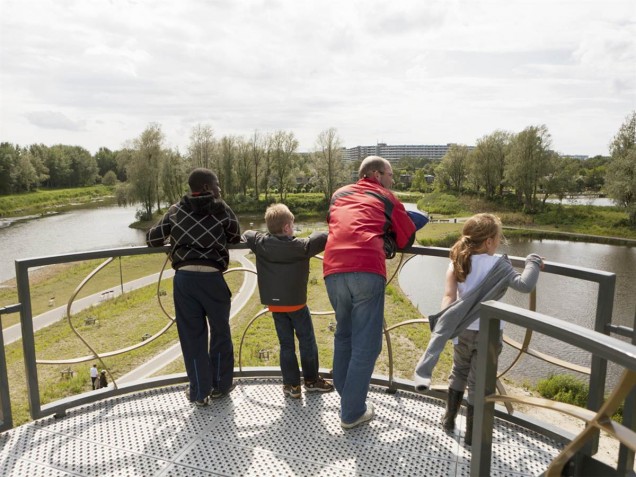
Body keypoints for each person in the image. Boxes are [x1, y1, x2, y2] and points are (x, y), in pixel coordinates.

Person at [413, 213, 544, 445]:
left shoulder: (458, 260)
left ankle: (449, 420)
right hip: (488, 334)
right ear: (489, 242)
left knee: (459, 372)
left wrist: (448, 324)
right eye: (498, 238)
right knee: (478, 381)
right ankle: (472, 436)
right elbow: (524, 285)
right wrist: (533, 261)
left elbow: (448, 296)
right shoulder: (500, 265)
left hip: (462, 331)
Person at [323, 155, 416, 429]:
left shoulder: (339, 194)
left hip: (332, 269)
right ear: (377, 175)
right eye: (390, 175)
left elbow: (338, 223)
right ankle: (352, 413)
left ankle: (347, 393)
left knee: (344, 333)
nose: (393, 180)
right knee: (367, 343)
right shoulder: (386, 197)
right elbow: (407, 237)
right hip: (366, 268)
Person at [146, 168, 241, 406]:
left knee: (192, 336)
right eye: (217, 185)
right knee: (220, 331)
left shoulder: (176, 209)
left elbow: (153, 239)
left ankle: (199, 392)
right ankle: (220, 385)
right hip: (212, 278)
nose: (220, 189)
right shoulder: (222, 208)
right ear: (207, 187)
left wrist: (174, 239)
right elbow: (236, 236)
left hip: (185, 280)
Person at [243, 203, 334, 399]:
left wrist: (263, 235)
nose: (293, 228)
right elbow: (321, 237)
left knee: (286, 345)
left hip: (275, 306)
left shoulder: (261, 244)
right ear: (286, 228)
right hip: (297, 305)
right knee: (307, 342)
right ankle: (310, 380)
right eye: (292, 225)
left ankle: (291, 385)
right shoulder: (300, 246)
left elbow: (249, 233)